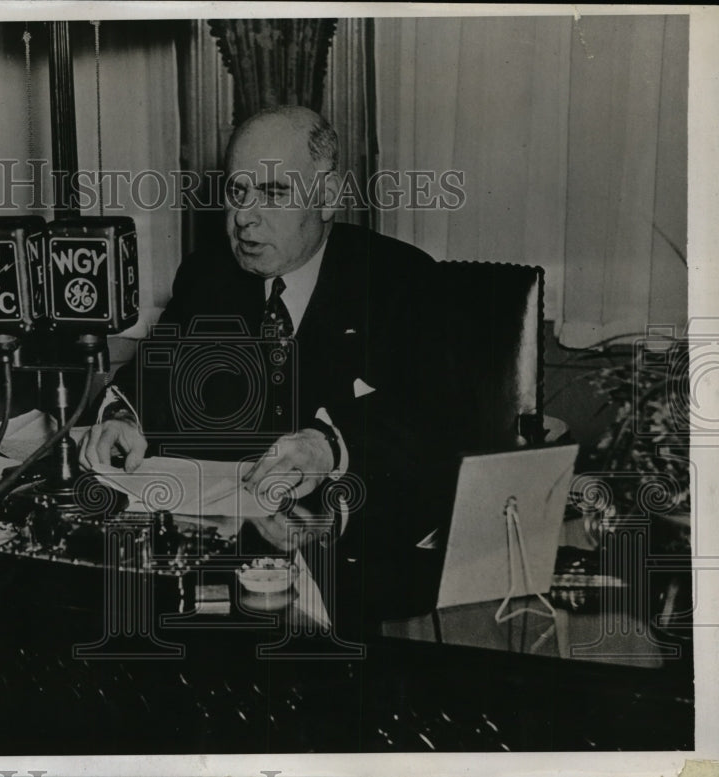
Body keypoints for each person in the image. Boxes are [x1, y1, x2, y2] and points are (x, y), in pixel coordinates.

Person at [79, 105, 469, 633]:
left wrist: (328, 445)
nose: (244, 217)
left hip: (349, 567)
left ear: (329, 196)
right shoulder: (208, 274)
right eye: (237, 193)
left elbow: (428, 416)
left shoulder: (402, 281)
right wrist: (125, 415)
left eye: (274, 193)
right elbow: (152, 377)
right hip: (223, 559)